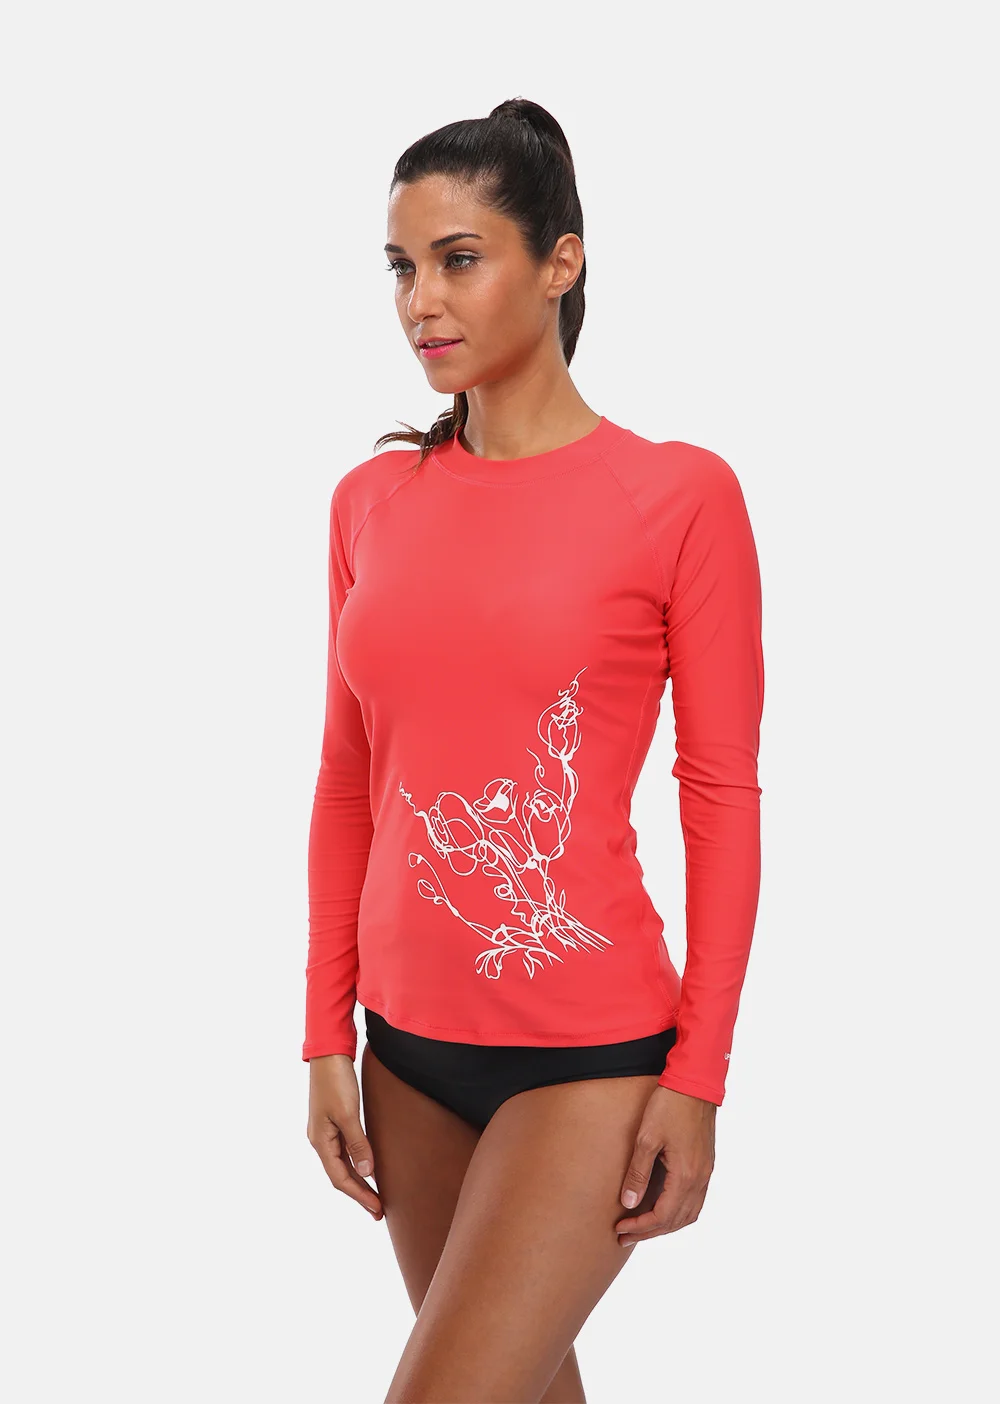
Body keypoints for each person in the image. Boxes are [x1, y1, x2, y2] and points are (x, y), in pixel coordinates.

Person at [302, 96, 765, 1404]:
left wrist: (700, 1078)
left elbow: (721, 799)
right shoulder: (371, 502)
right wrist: (323, 1032)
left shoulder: (677, 495)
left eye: (460, 259)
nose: (422, 302)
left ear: (562, 261)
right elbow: (347, 782)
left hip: (591, 1055)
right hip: (404, 1055)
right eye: (402, 268)